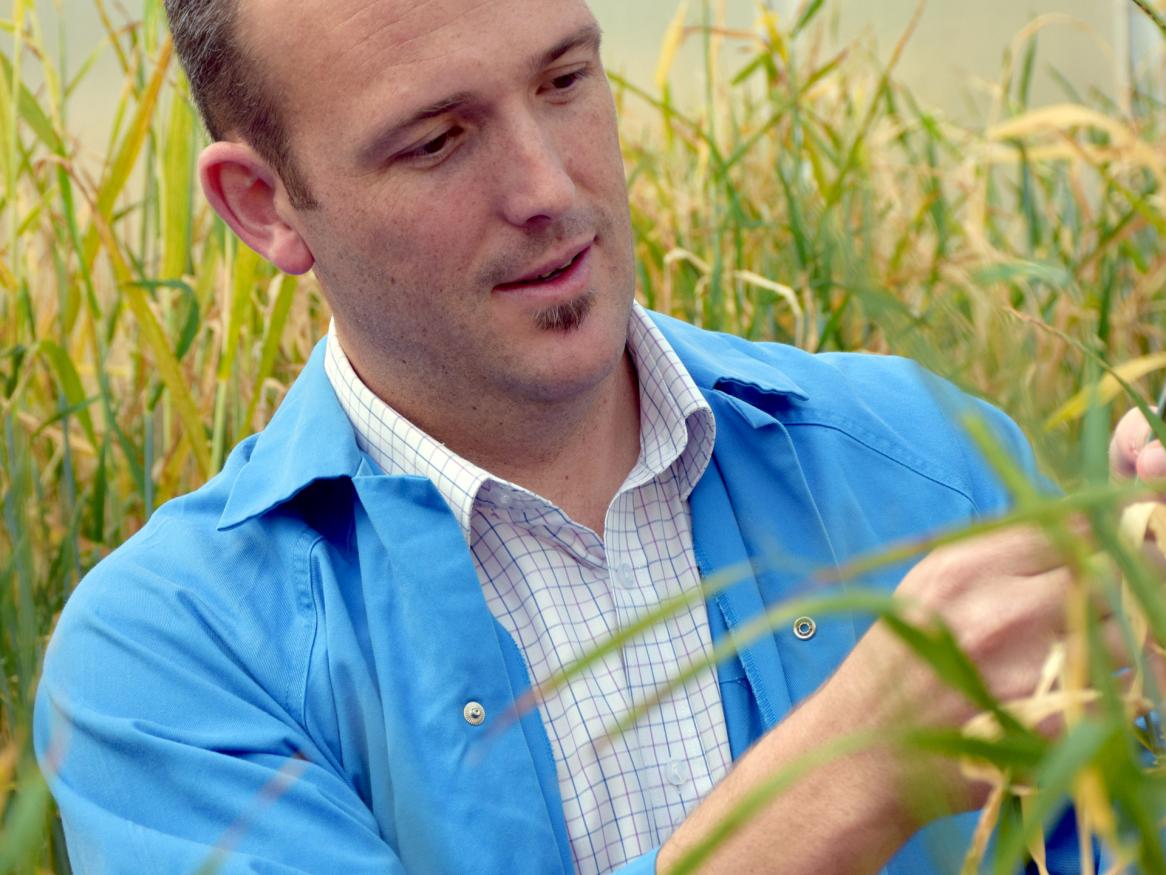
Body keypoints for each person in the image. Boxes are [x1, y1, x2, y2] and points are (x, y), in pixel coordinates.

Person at [33, 1, 1165, 873]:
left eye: (564, 79)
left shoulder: (920, 450)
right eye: (436, 141)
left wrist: (1151, 646)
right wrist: (848, 772)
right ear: (263, 205)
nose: (547, 185)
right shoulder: (170, 658)